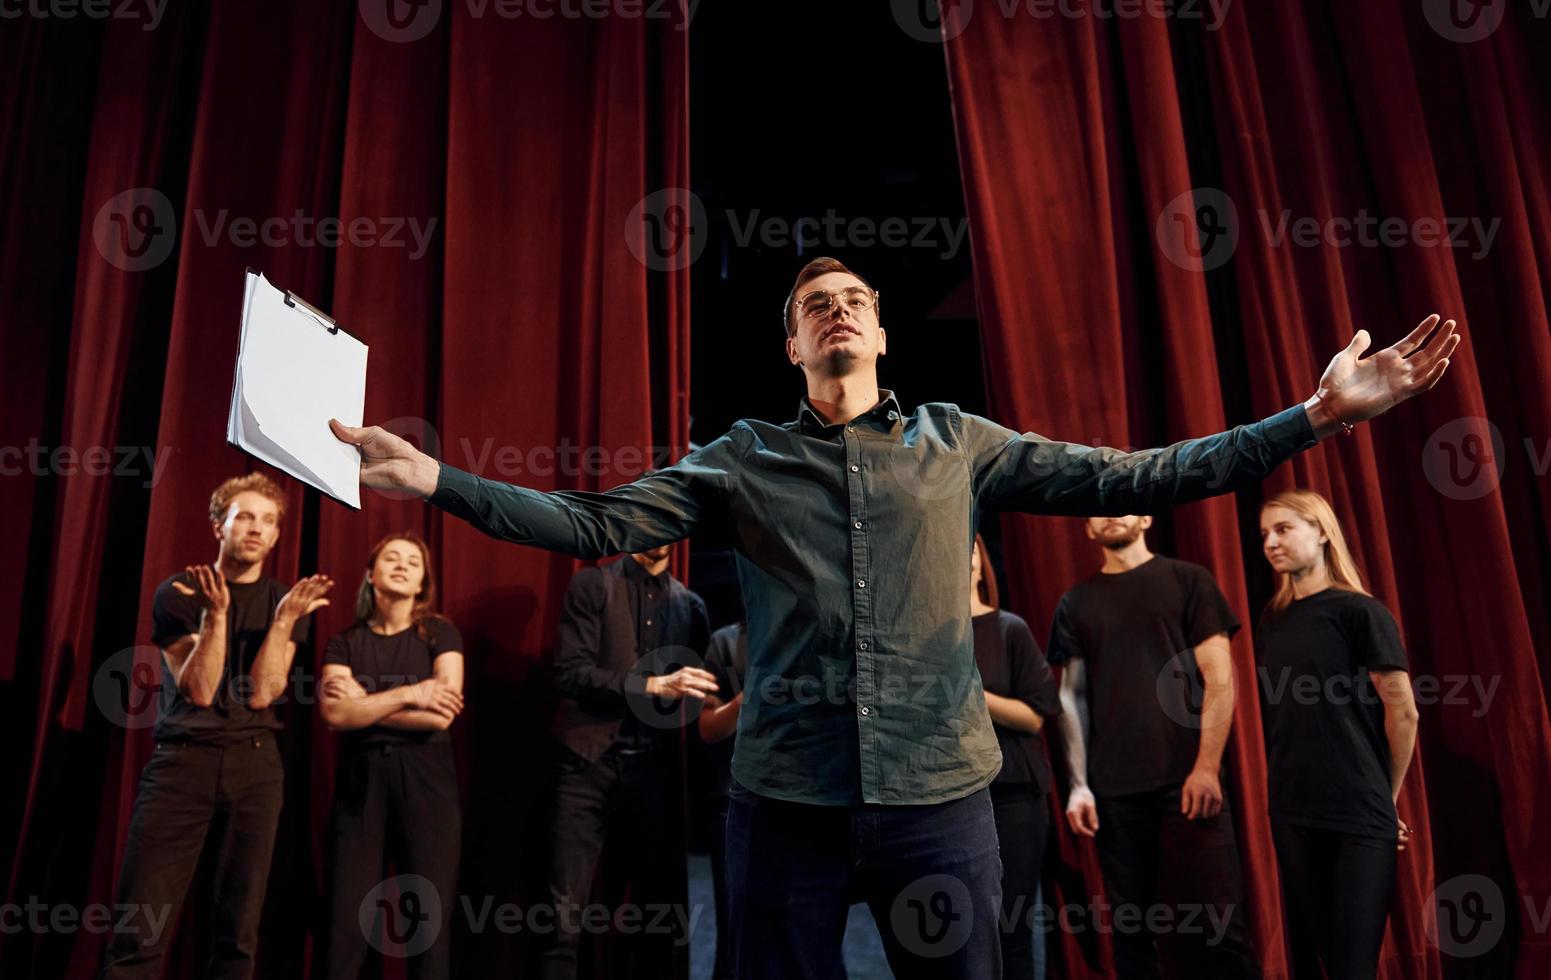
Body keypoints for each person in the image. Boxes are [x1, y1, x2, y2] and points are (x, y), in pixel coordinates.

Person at [329, 255, 1458, 979]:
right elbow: (588, 520)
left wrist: (1313, 415)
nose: (841, 311)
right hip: (783, 805)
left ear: (880, 334)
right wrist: (436, 481)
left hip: (941, 799)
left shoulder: (960, 441)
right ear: (793, 346)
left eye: (858, 299)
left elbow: (1138, 470)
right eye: (816, 304)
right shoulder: (742, 456)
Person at [100, 472, 332, 980]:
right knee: (141, 925)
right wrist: (217, 618)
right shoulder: (180, 592)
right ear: (218, 526)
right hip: (183, 763)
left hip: (255, 766)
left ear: (276, 536)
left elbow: (262, 692)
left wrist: (284, 623)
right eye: (245, 516)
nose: (256, 528)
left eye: (268, 521)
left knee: (238, 930)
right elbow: (200, 690)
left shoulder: (286, 604)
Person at [1048, 516, 1259, 978]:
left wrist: (1206, 767)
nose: (1110, 513)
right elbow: (1072, 696)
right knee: (1133, 935)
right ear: (1087, 530)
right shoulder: (1076, 601)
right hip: (1115, 792)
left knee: (1218, 925)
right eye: (1097, 509)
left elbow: (1219, 678)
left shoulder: (1188, 580)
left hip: (1188, 781)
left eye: (1123, 502)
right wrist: (1079, 785)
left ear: (1145, 517)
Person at [1255, 490, 1418, 980]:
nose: (1271, 542)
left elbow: (1404, 712)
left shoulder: (1359, 612)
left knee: (1351, 967)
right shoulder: (1273, 619)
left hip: (1357, 812)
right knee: (1309, 962)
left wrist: (1385, 801)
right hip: (1291, 810)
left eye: (1283, 529)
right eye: (1264, 534)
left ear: (1322, 531)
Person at [542, 543, 712, 980]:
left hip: (653, 773)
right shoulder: (592, 584)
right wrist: (651, 686)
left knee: (659, 918)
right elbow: (570, 673)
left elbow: (700, 697)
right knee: (564, 917)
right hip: (586, 767)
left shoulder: (690, 605)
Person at [317, 532, 465, 979]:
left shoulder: (440, 632)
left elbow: (441, 715)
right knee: (345, 922)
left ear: (422, 582)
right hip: (361, 784)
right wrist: (410, 693)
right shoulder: (344, 643)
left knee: (427, 921)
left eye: (413, 562)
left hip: (427, 782)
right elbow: (335, 714)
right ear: (370, 574)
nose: (402, 566)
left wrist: (367, 704)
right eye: (391, 559)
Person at [968, 534, 1061, 980]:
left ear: (979, 562)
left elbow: (1036, 716)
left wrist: (972, 694)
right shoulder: (918, 638)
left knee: (1012, 931)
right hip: (951, 799)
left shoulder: (1009, 629)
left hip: (1013, 797)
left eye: (964, 550)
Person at [696, 619, 747, 980]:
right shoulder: (725, 642)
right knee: (735, 929)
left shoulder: (811, 630)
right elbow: (708, 728)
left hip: (807, 801)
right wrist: (748, 700)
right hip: (734, 799)